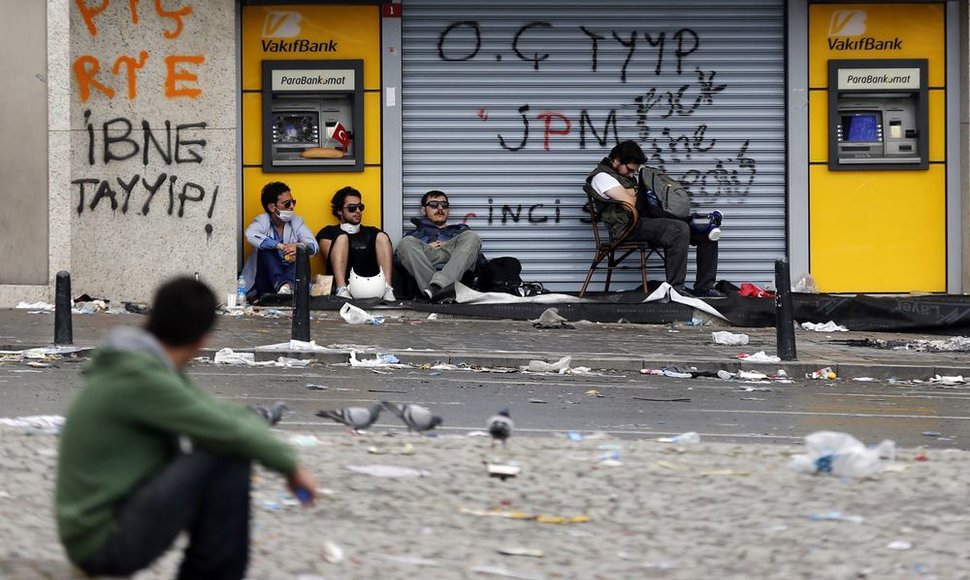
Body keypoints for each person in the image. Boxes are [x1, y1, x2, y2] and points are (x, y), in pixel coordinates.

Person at [55, 277, 317, 579]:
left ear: (150, 318)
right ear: (202, 341)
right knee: (225, 458)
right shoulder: (140, 377)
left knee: (222, 448)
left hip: (95, 527)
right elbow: (227, 427)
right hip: (102, 543)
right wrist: (291, 467)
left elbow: (213, 412)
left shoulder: (134, 363)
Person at [586, 140, 723, 297]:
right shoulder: (602, 177)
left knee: (705, 229)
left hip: (646, 222)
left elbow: (632, 197)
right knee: (679, 229)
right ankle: (675, 289)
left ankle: (705, 287)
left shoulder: (624, 177)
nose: (632, 175)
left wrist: (631, 192)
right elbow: (629, 203)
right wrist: (635, 192)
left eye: (634, 172)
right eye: (630, 170)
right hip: (627, 228)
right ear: (616, 160)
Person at [396, 189, 485, 302]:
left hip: (453, 259)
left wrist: (455, 246)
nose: (440, 208)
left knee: (472, 236)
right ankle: (442, 291)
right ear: (424, 210)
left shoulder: (461, 231)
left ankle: (437, 289)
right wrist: (426, 246)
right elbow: (399, 261)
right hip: (428, 259)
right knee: (406, 242)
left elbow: (478, 260)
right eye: (433, 205)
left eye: (444, 205)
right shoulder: (414, 235)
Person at [315, 186, 396, 301]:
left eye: (360, 207)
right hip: (345, 288)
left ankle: (387, 288)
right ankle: (341, 289)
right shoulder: (328, 232)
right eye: (352, 208)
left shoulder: (372, 232)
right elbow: (331, 259)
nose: (358, 211)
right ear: (339, 211)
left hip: (371, 287)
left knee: (382, 237)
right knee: (342, 238)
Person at [242, 181, 319, 299]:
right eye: (287, 204)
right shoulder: (262, 221)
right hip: (265, 283)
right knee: (266, 249)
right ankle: (282, 286)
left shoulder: (296, 222)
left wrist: (297, 247)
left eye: (293, 202)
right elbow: (250, 235)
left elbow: (314, 246)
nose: (292, 207)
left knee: (302, 250)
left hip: (292, 283)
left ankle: (286, 287)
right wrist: (280, 246)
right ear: (272, 207)